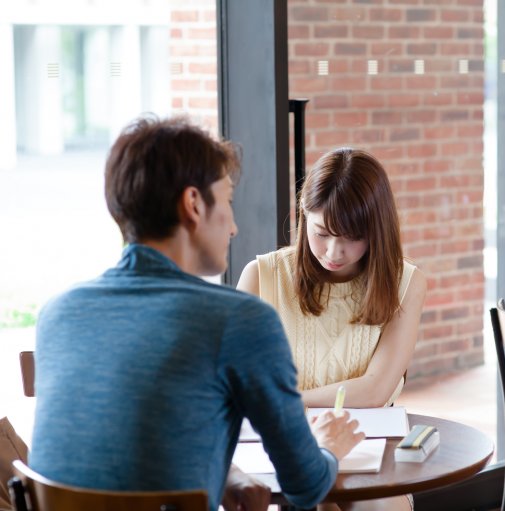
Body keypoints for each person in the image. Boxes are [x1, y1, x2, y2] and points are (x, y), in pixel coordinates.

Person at [28, 115, 364, 511]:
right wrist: (328, 446)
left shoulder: (57, 314)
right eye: (226, 201)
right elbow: (305, 486)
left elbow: (126, 446)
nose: (234, 227)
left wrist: (228, 472)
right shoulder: (238, 320)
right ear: (193, 204)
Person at [237, 148, 427, 510]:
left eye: (352, 237)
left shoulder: (406, 282)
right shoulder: (262, 277)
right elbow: (242, 388)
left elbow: (375, 390)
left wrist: (284, 401)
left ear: (377, 230)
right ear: (304, 215)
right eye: (322, 232)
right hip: (276, 448)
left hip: (365, 449)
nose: (334, 251)